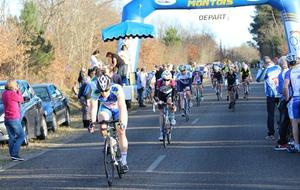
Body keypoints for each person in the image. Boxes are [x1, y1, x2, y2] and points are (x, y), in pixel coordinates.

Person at [90, 74, 129, 172]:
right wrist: (92, 122)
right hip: (105, 109)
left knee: (121, 131)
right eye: (101, 91)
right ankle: (110, 142)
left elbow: (122, 107)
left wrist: (121, 122)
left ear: (109, 87)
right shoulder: (95, 91)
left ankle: (123, 162)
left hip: (118, 109)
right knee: (102, 124)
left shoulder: (117, 89)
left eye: (106, 90)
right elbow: (94, 108)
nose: (103, 93)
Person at [256, 56, 281, 140]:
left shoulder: (265, 70)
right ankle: (283, 132)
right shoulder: (278, 67)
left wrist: (263, 69)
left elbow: (259, 79)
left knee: (271, 114)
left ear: (264, 63)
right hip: (281, 94)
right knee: (282, 113)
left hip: (271, 95)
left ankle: (271, 134)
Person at [2, 79, 25, 161]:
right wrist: (18, 91)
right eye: (16, 84)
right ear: (13, 85)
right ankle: (15, 154)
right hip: (13, 118)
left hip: (7, 118)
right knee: (21, 136)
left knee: (11, 137)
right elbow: (21, 100)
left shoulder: (4, 93)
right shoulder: (12, 94)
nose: (17, 86)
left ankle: (13, 155)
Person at [284, 53, 300, 153]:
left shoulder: (289, 72)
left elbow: (285, 87)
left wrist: (287, 99)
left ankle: (297, 145)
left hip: (295, 99)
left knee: (294, 123)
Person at [154, 70, 177, 141]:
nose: (166, 81)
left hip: (169, 95)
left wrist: (172, 104)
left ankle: (172, 117)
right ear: (162, 79)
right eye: (164, 80)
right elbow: (155, 95)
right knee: (161, 114)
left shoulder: (172, 83)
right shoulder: (158, 83)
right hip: (161, 95)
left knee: (170, 103)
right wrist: (157, 101)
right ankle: (161, 132)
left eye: (168, 80)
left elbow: (174, 94)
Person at [274, 56, 290, 150]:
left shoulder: (283, 73)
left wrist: (286, 98)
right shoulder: (288, 72)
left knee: (283, 121)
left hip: (286, 99)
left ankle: (283, 142)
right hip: (289, 99)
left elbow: (283, 89)